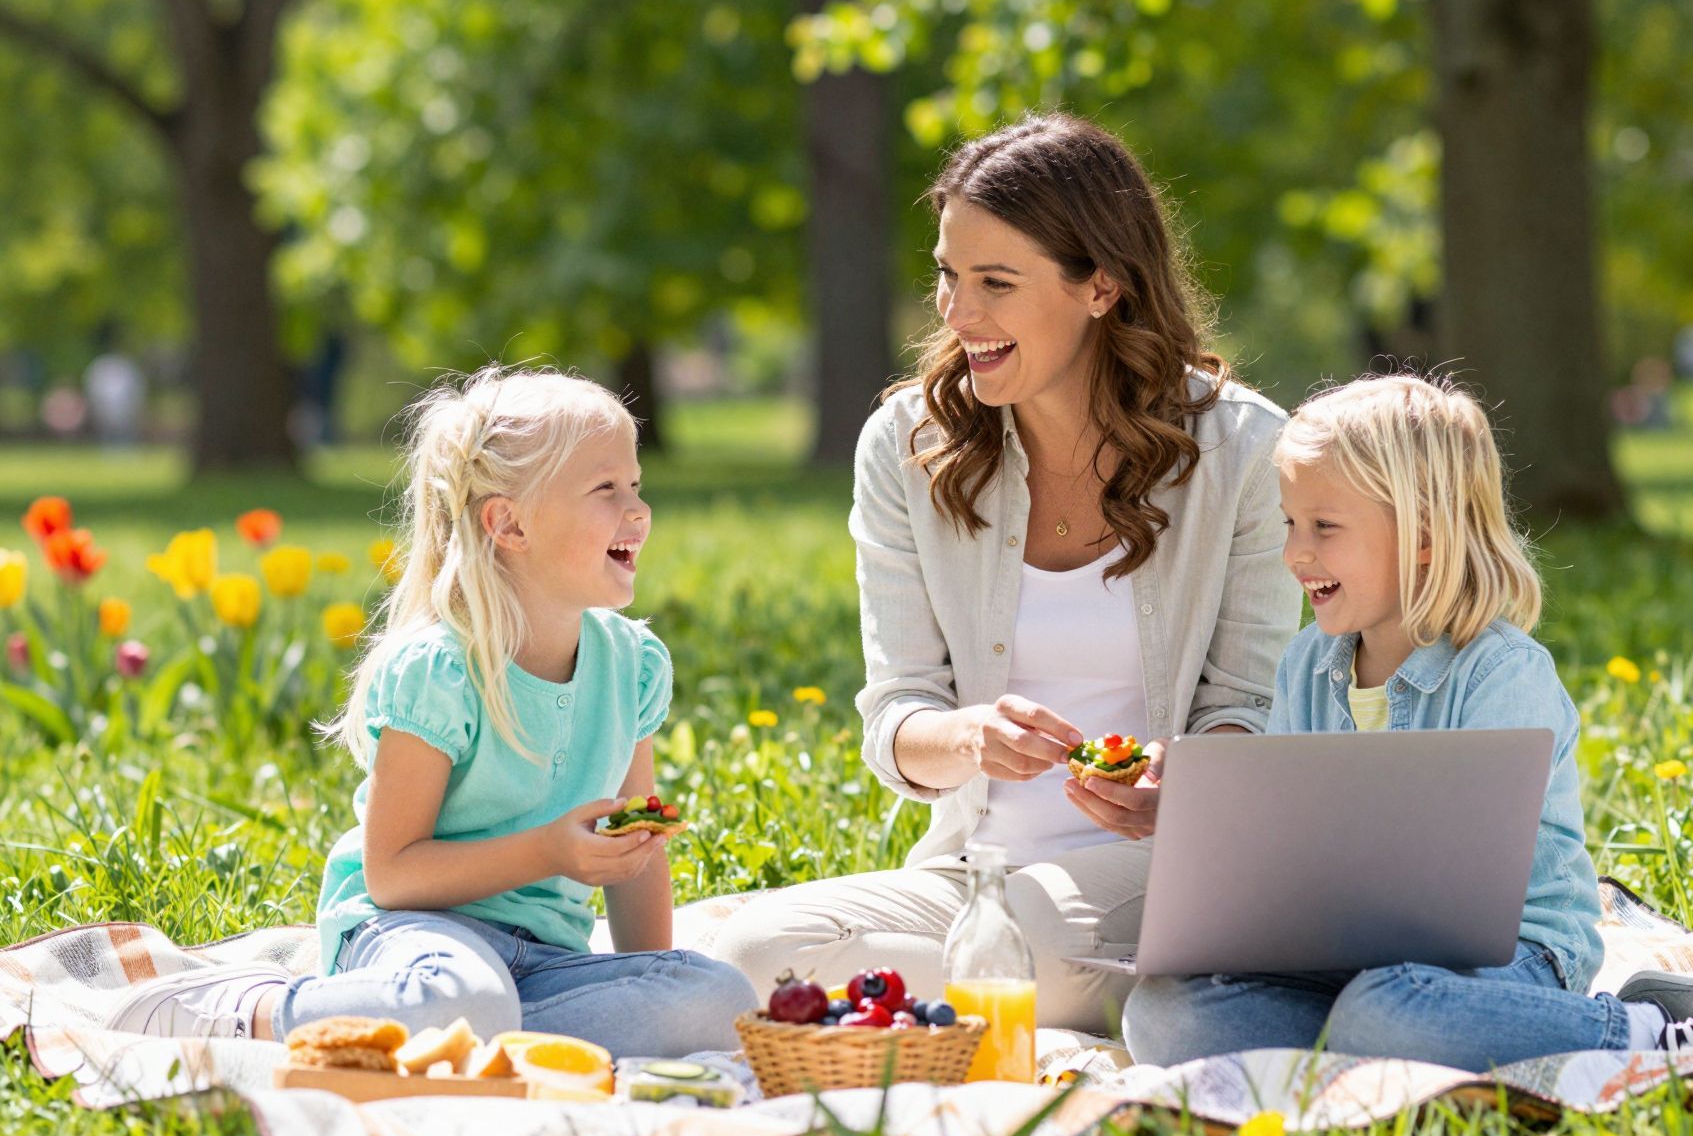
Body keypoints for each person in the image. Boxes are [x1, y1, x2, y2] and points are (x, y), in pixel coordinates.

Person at [705, 113, 1301, 1032]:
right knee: (751, 958)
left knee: (1017, 942)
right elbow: (896, 713)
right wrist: (968, 737)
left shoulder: (1242, 449)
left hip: (1173, 865)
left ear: (1101, 286)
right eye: (948, 275)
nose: (955, 312)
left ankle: (973, 999)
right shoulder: (907, 446)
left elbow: (1250, 705)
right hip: (973, 869)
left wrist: (1180, 781)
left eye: (994, 282)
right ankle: (1051, 995)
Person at [1121, 373, 1693, 1070]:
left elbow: (1463, 897)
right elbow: (1291, 848)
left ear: (1423, 534)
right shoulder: (1306, 665)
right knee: (1163, 1014)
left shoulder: (1500, 673)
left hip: (1512, 955)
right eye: (1290, 522)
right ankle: (1382, 1049)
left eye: (1324, 527)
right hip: (1351, 966)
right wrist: (1203, 822)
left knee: (1389, 1007)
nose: (1296, 552)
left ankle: (1641, 1030)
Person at [108, 366, 757, 1055]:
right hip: (414, 937)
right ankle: (260, 1010)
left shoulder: (633, 665)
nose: (638, 511)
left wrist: (647, 975)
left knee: (721, 1000)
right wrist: (550, 852)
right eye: (606, 489)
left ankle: (464, 1043)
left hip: (542, 961)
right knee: (463, 998)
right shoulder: (440, 671)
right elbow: (392, 873)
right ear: (507, 523)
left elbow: (636, 853)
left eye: (636, 485)